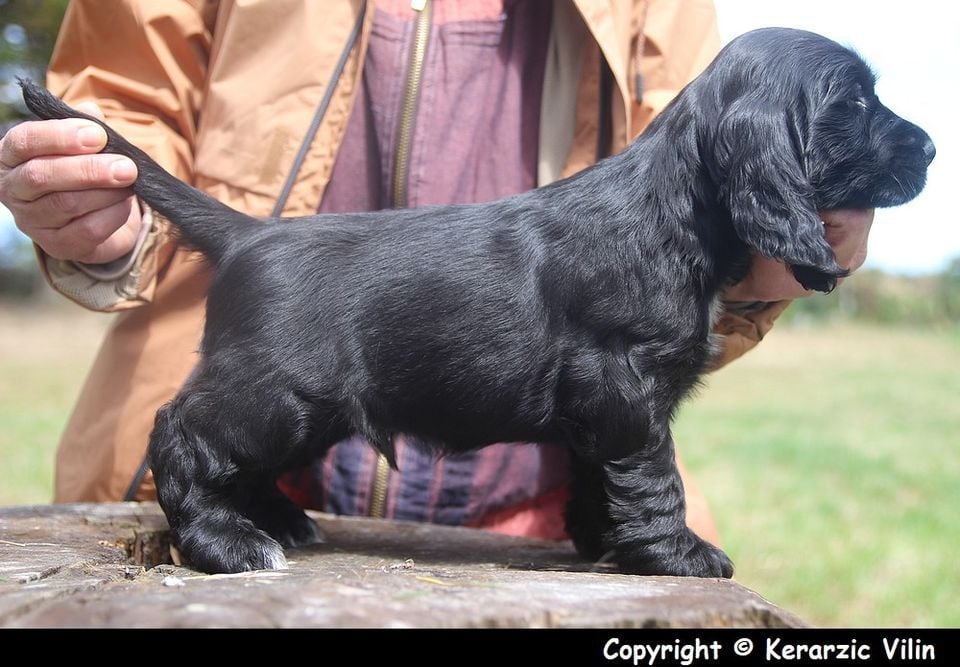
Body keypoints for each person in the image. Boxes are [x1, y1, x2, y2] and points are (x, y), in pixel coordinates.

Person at [0, 0, 872, 549]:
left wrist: (784, 247)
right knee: (274, 402)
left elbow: (713, 179)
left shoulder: (688, 111)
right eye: (857, 110)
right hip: (302, 324)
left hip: (524, 514)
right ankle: (208, 484)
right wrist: (100, 207)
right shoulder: (299, 272)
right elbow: (129, 94)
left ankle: (616, 523)